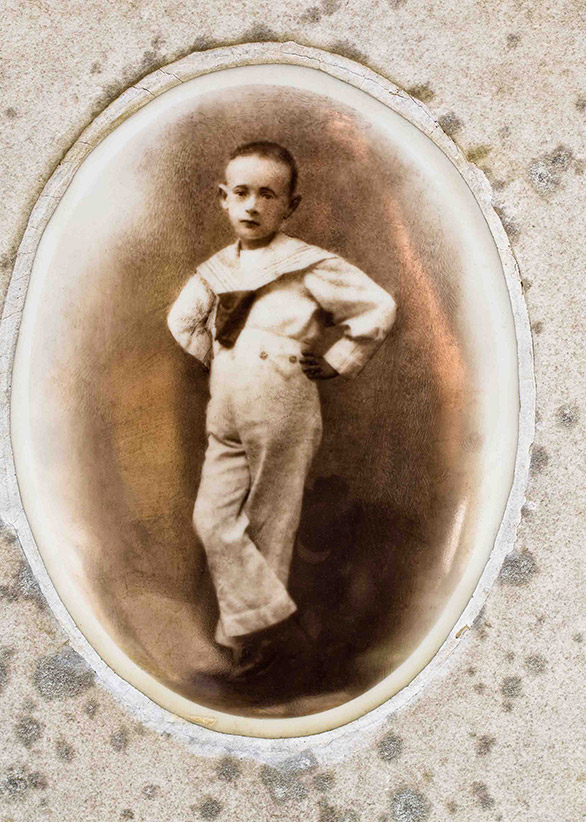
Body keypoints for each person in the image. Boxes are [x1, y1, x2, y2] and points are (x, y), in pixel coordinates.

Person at [167, 141, 397, 683]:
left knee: (270, 520)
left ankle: (255, 650)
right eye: (241, 192)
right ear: (223, 198)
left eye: (268, 195)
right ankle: (275, 629)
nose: (252, 205)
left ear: (290, 206)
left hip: (282, 400)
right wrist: (226, 362)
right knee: (213, 520)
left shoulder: (308, 264)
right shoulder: (216, 270)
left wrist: (340, 359)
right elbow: (182, 321)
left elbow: (377, 307)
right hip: (226, 405)